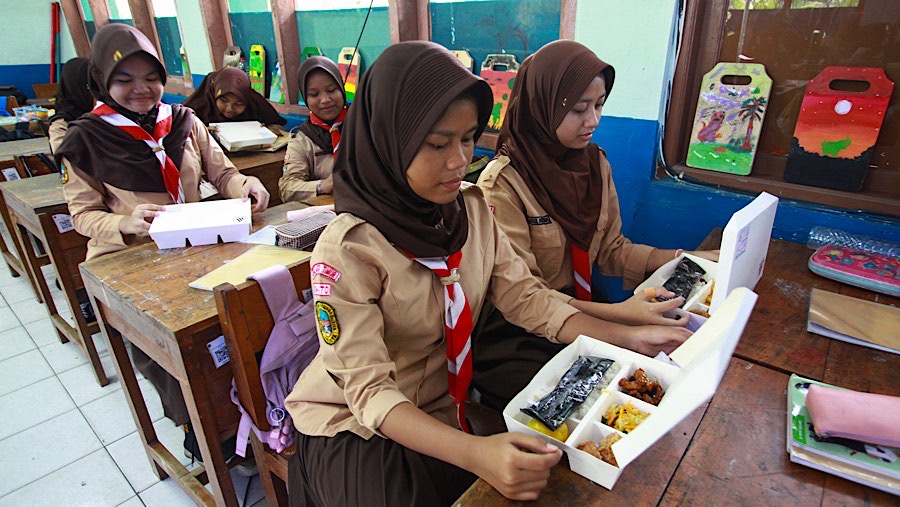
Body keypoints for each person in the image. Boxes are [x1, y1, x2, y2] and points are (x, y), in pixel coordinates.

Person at [284, 41, 691, 506]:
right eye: (438, 143)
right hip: (353, 423)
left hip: (440, 408)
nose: (460, 161)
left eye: (468, 137)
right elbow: (370, 393)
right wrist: (476, 453)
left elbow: (529, 299)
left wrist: (625, 337)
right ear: (388, 139)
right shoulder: (348, 250)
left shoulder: (470, 213)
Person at [55, 23, 270, 462]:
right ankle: (198, 426)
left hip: (194, 247)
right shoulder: (85, 139)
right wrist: (125, 221)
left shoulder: (184, 122)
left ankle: (242, 413)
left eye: (151, 77)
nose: (143, 89)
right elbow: (81, 217)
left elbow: (223, 173)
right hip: (131, 263)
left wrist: (245, 183)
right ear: (102, 80)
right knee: (166, 355)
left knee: (232, 326)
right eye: (125, 79)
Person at [473, 40, 718, 409]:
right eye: (578, 109)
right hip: (518, 329)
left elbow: (612, 250)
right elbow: (527, 297)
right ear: (542, 107)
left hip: (583, 308)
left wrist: (693, 258)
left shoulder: (593, 164)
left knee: (657, 369)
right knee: (570, 404)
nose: (594, 121)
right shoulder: (502, 184)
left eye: (600, 105)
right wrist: (621, 322)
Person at [278, 56, 348, 202]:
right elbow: (287, 188)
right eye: (314, 94)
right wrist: (322, 186)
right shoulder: (302, 140)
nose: (325, 100)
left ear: (342, 88)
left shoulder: (364, 124)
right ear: (305, 98)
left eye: (331, 90)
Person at [182, 66, 286, 132]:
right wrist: (201, 133)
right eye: (224, 101)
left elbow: (279, 127)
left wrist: (268, 131)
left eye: (238, 103)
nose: (229, 109)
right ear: (215, 95)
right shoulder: (197, 106)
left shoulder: (254, 102)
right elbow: (176, 132)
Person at [48, 57, 95, 153]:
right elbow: (68, 159)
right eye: (90, 86)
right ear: (76, 89)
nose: (98, 93)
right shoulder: (60, 126)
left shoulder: (104, 116)